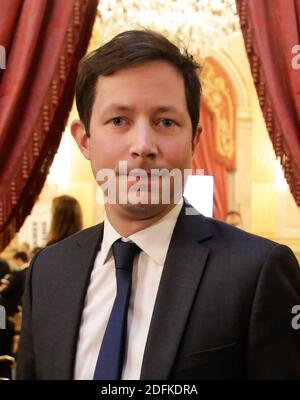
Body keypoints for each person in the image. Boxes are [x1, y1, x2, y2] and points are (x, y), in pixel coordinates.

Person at [17, 30, 300, 380]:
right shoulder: (47, 272)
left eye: (165, 122)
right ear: (85, 140)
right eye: (119, 120)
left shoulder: (257, 271)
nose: (143, 146)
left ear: (195, 139)